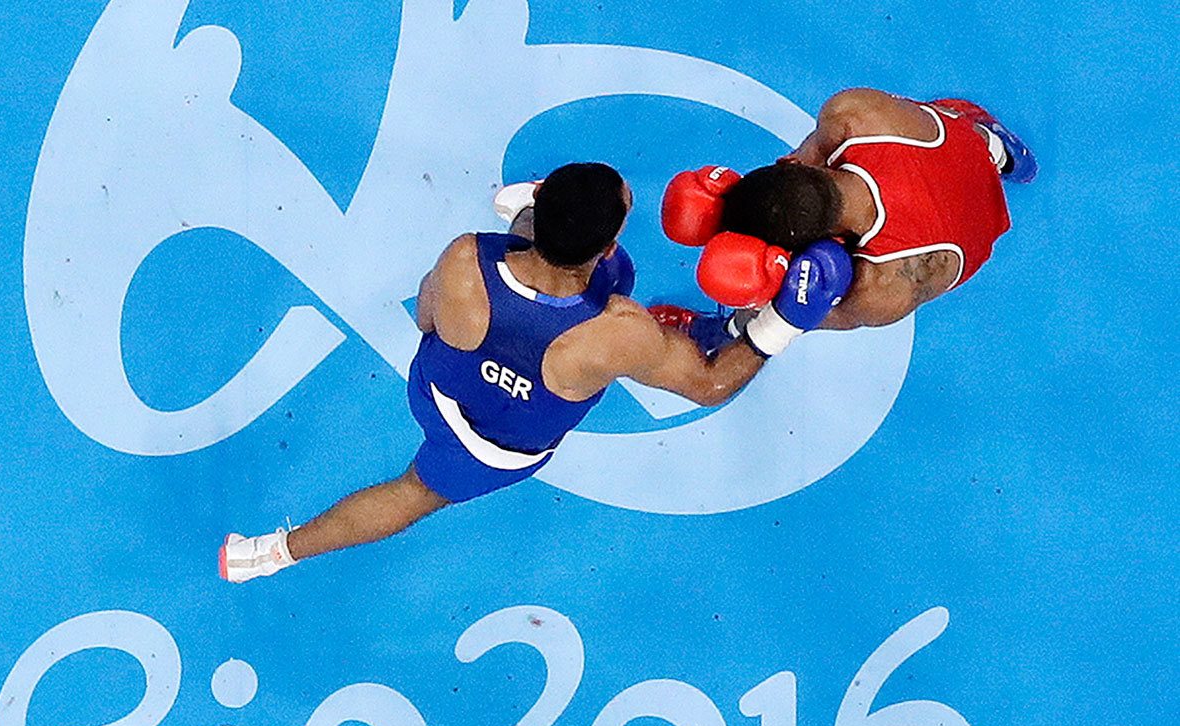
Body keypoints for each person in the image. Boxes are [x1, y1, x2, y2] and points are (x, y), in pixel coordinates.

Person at [219, 162, 849, 582]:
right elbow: (711, 385)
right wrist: (784, 323)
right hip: (490, 449)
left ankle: (547, 234)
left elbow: (425, 317)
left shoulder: (466, 256)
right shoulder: (619, 331)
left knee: (596, 292)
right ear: (606, 241)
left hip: (435, 388)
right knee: (414, 493)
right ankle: (274, 554)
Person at [654, 89, 1036, 352]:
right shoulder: (850, 114)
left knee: (779, 292)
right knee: (947, 122)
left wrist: (766, 301)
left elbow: (802, 311)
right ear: (793, 166)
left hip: (976, 233)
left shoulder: (880, 287)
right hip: (957, 147)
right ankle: (997, 148)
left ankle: (723, 332)